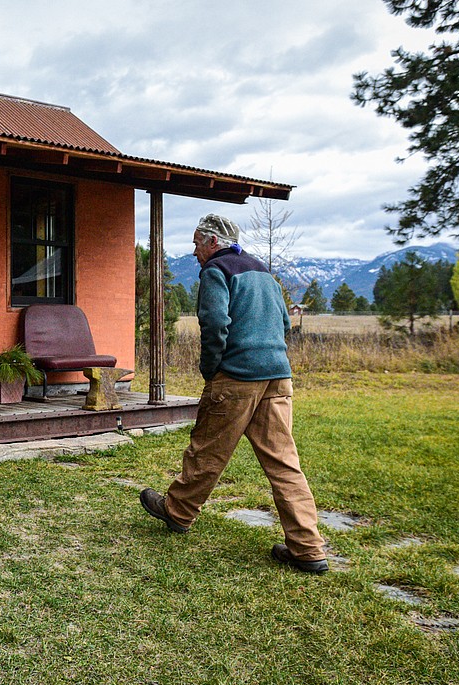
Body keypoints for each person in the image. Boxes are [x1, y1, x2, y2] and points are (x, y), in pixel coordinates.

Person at [139, 213, 328, 574]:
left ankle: (177, 511)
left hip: (237, 378)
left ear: (213, 241)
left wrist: (212, 369)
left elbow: (214, 323)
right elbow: (285, 323)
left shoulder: (216, 271)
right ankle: (308, 548)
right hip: (277, 377)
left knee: (207, 448)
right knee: (284, 462)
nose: (194, 251)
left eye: (197, 243)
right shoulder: (262, 271)